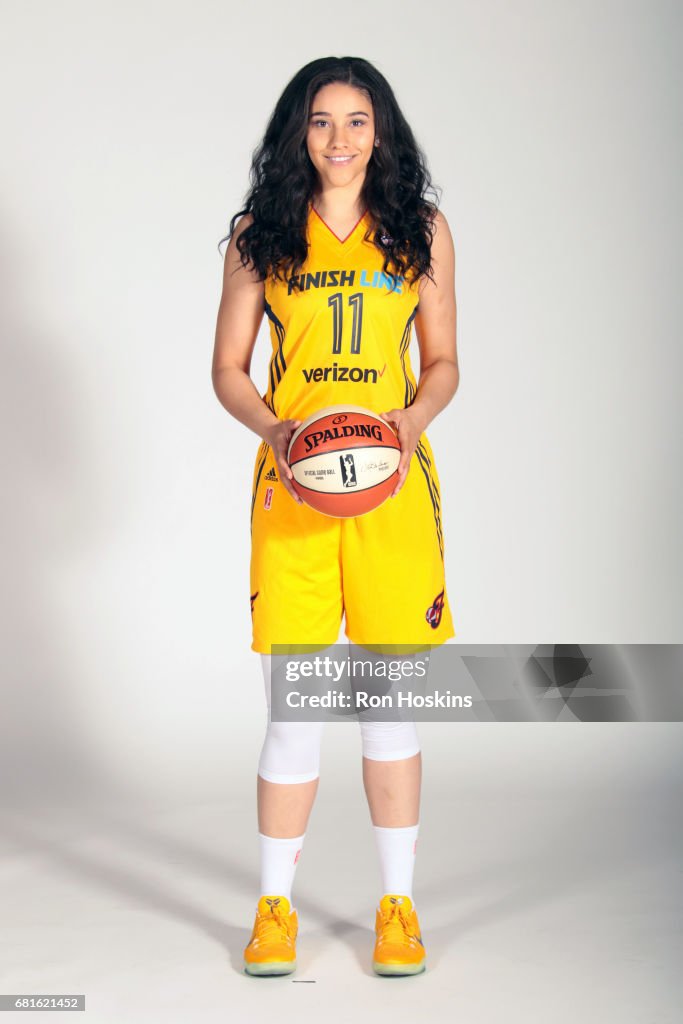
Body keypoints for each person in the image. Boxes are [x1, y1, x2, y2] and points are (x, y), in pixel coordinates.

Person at [212, 56, 459, 977]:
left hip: (392, 492)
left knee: (388, 704)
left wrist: (405, 426)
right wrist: (277, 430)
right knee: (295, 706)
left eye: (358, 121)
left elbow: (442, 364)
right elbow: (229, 369)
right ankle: (274, 910)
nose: (341, 139)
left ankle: (399, 907)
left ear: (382, 131)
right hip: (295, 490)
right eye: (321, 122)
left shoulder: (419, 230)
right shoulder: (259, 233)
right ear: (296, 134)